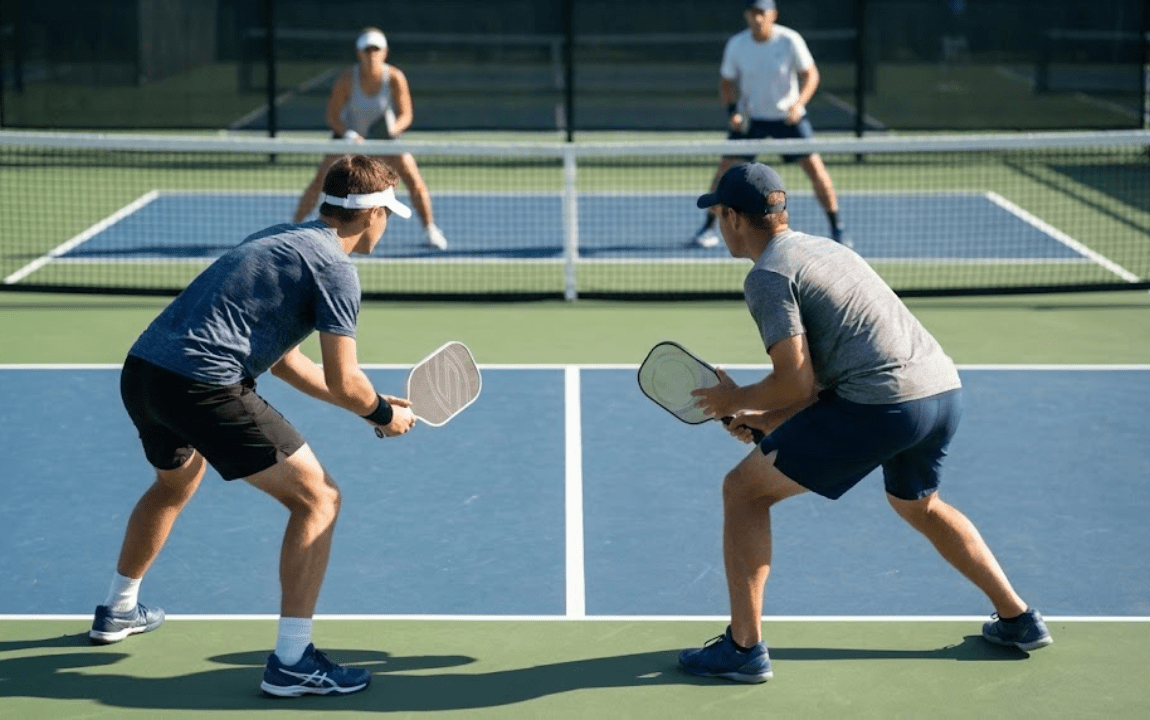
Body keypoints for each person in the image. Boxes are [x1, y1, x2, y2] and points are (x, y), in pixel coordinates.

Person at [678, 162, 1051, 683]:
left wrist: (733, 399)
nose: (719, 224)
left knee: (744, 492)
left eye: (719, 213)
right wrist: (766, 419)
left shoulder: (767, 276)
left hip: (885, 406)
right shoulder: (827, 250)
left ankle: (743, 649)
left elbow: (797, 383)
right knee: (918, 504)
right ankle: (1018, 618)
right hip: (941, 391)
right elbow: (831, 381)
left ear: (737, 218)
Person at [91, 154, 420, 698]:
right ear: (372, 215)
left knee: (175, 480)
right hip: (204, 384)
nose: (386, 224)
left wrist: (367, 406)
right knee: (319, 500)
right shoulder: (336, 268)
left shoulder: (285, 238)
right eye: (387, 214)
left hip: (146, 372)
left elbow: (287, 362)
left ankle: (118, 609)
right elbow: (344, 378)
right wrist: (382, 414)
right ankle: (292, 661)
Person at [693, 0, 849, 249]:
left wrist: (798, 105)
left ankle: (837, 228)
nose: (757, 18)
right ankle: (707, 229)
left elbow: (811, 75)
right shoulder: (737, 44)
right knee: (724, 171)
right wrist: (732, 111)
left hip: (788, 120)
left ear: (773, 15)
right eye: (753, 13)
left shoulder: (790, 40)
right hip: (751, 121)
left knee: (817, 171)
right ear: (747, 15)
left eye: (762, 13)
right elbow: (726, 82)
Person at [293, 27, 448, 251]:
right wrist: (350, 134)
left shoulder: (394, 77)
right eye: (367, 50)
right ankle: (294, 228)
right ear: (359, 53)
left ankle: (431, 229)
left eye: (376, 50)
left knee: (413, 177)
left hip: (386, 142)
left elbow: (406, 114)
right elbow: (333, 116)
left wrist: (392, 129)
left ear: (385, 52)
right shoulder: (347, 78)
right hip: (350, 140)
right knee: (321, 180)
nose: (372, 55)